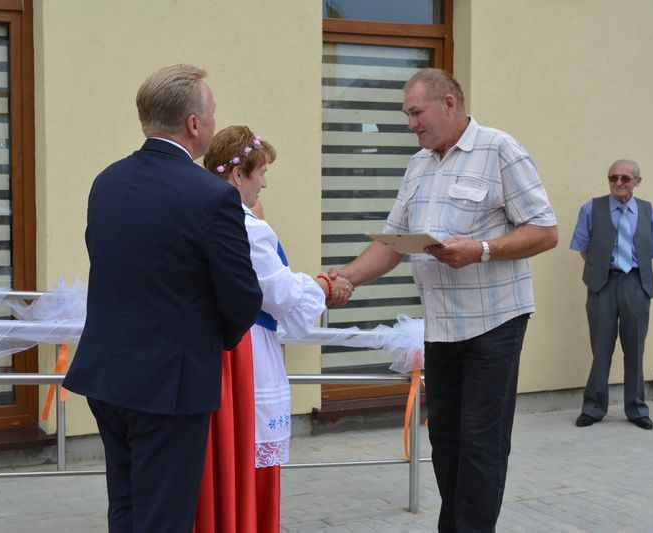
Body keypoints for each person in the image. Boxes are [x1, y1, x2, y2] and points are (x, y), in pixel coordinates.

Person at [328, 68, 558, 532]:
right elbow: (393, 241)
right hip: (442, 326)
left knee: (480, 442)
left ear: (449, 103)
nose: (410, 123)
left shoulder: (499, 150)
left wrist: (483, 250)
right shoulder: (419, 164)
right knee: (447, 440)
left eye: (416, 112)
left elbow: (545, 230)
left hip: (494, 323)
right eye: (407, 115)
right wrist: (343, 279)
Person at [63, 64, 263, 532]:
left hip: (106, 372)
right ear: (194, 125)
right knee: (165, 516)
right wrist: (213, 341)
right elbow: (241, 297)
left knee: (127, 506)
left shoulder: (106, 181)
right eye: (211, 115)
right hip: (169, 381)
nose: (212, 124)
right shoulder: (212, 196)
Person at [194, 125, 352, 533]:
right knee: (246, 452)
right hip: (244, 348)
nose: (264, 181)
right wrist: (320, 285)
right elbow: (279, 295)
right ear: (237, 175)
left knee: (217, 456)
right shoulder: (245, 225)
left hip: (208, 347)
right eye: (259, 172)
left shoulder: (196, 210)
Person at [570, 159, 653, 431]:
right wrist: (603, 271)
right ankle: (594, 407)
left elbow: (651, 251)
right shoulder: (590, 208)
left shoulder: (647, 210)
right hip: (603, 285)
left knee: (635, 350)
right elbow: (584, 249)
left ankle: (636, 409)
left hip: (636, 284)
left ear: (637, 182)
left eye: (625, 178)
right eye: (613, 177)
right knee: (601, 349)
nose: (618, 183)